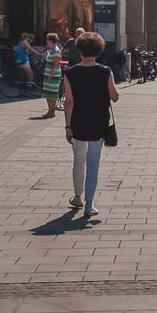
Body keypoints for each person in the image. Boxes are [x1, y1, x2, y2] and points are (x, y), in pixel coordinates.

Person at [61, 30, 117, 217]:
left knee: (78, 161)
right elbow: (114, 97)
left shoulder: (70, 73)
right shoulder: (105, 71)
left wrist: (68, 127)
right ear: (99, 50)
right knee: (93, 165)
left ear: (79, 50)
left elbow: (68, 102)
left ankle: (77, 197)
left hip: (78, 122)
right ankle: (89, 204)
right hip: (99, 122)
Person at [39, 33, 65, 118]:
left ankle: (52, 111)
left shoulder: (56, 51)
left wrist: (51, 75)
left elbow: (56, 65)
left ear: (51, 41)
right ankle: (49, 110)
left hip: (53, 75)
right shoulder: (50, 50)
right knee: (47, 92)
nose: (46, 41)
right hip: (48, 74)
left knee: (53, 93)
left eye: (47, 39)